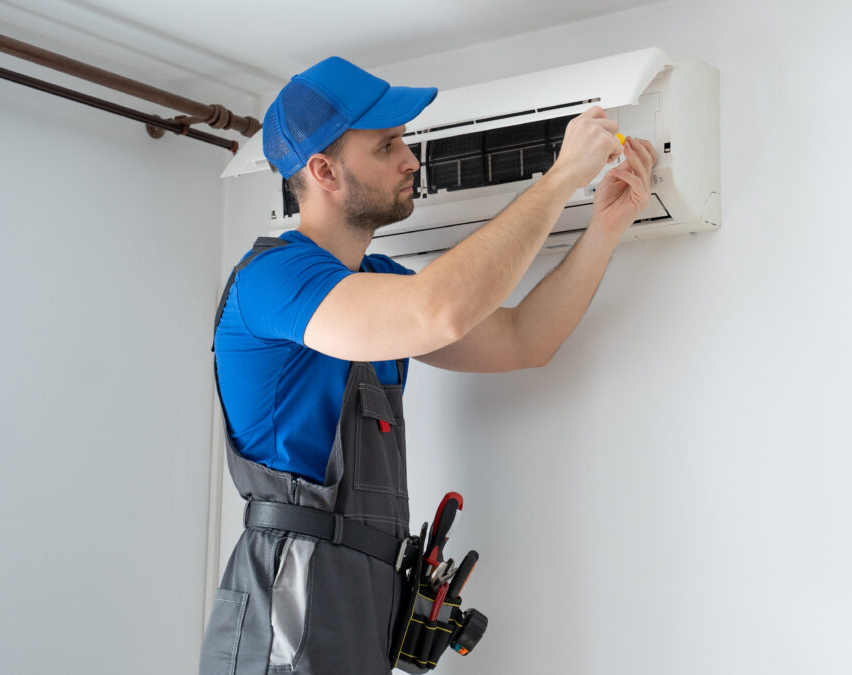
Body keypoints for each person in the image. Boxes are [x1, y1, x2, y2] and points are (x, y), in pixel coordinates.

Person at [200, 56, 657, 675]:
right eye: (387, 145)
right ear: (323, 170)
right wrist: (558, 180)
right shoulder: (272, 280)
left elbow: (526, 338)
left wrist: (605, 226)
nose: (411, 159)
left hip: (358, 595)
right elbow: (438, 311)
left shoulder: (378, 286)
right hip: (290, 591)